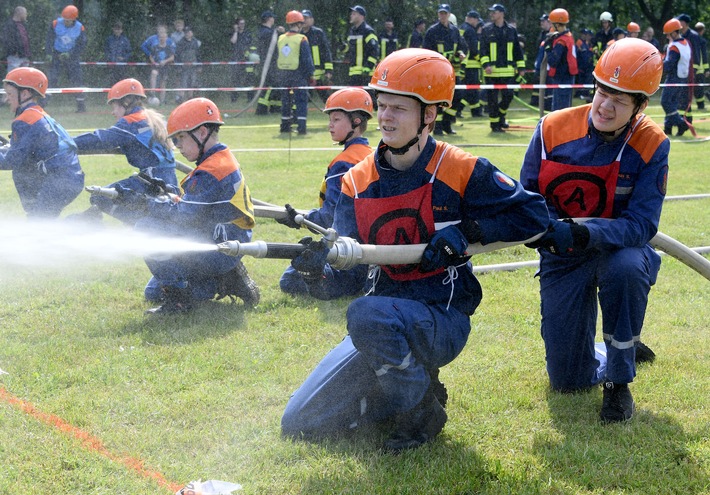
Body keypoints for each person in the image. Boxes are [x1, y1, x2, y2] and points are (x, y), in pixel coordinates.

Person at [281, 48, 549, 451]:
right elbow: (348, 276)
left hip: (442, 317)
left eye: (399, 109)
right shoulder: (355, 182)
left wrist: (469, 231)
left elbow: (535, 215)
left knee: (365, 313)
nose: (385, 117)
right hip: (379, 323)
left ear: (429, 115)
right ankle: (404, 388)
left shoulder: (460, 169)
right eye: (382, 105)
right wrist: (316, 271)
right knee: (301, 424)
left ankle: (421, 407)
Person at [520, 38, 668, 423]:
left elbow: (642, 225)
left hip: (619, 252)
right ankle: (619, 348)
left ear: (641, 106)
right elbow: (528, 198)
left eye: (620, 99)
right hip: (562, 256)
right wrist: (549, 232)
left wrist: (587, 233)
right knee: (568, 381)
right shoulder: (551, 129)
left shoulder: (652, 145)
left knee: (625, 270)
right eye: (603, 91)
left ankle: (618, 382)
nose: (605, 105)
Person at [135, 97, 260, 314]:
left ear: (202, 133)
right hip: (226, 240)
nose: (177, 146)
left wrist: (147, 205)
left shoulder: (210, 171)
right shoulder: (219, 159)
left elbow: (183, 216)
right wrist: (167, 194)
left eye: (181, 138)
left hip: (217, 246)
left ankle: (179, 303)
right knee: (153, 292)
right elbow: (198, 205)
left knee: (146, 229)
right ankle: (225, 280)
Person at [278, 87, 373, 297]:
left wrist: (300, 219)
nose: (330, 125)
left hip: (349, 255)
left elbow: (330, 218)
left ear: (356, 121)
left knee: (289, 280)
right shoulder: (371, 156)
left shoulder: (343, 164)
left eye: (336, 119)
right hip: (375, 255)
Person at [72, 78, 178, 225]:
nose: (113, 112)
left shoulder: (130, 122)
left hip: (151, 179)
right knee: (157, 212)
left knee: (100, 197)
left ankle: (140, 227)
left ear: (126, 102)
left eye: (114, 106)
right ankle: (144, 224)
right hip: (169, 179)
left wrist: (68, 142)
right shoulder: (153, 119)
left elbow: (100, 139)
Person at [0, 67, 84, 218]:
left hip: (59, 181)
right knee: (41, 220)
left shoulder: (25, 120)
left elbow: (9, 162)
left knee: (38, 224)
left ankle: (85, 222)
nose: (6, 99)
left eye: (10, 94)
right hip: (69, 178)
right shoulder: (38, 114)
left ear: (24, 94)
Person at [479, 3, 526, 132]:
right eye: (491, 12)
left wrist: (521, 68)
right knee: (492, 100)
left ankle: (500, 116)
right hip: (491, 73)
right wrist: (486, 65)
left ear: (501, 13)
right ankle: (495, 125)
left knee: (508, 96)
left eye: (494, 12)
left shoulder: (511, 30)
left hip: (508, 72)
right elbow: (482, 50)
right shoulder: (486, 29)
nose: (491, 14)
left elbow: (517, 50)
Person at [423, 4, 467, 135]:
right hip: (437, 72)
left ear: (449, 15)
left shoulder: (454, 30)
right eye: (440, 13)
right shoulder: (432, 31)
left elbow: (461, 46)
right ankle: (437, 127)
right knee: (439, 100)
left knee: (457, 98)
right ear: (438, 15)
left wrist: (461, 53)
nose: (442, 15)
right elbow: (426, 51)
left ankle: (447, 124)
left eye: (445, 13)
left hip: (452, 71)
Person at [276, 11, 314, 135]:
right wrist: (311, 74)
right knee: (301, 101)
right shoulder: (301, 39)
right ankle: (301, 128)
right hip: (298, 74)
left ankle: (285, 127)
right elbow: (306, 59)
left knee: (286, 101)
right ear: (298, 24)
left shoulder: (281, 38)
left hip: (283, 74)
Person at [45, 5, 87, 113]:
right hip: (56, 54)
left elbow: (81, 45)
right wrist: (49, 53)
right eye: (64, 20)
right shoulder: (55, 24)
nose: (65, 22)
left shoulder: (80, 28)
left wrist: (70, 54)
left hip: (72, 56)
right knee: (52, 78)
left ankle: (81, 105)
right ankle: (42, 104)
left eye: (68, 21)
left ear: (74, 19)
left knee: (76, 79)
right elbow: (49, 39)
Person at [661, 18, 691, 136]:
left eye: (668, 35)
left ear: (674, 32)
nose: (667, 37)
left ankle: (681, 124)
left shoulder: (674, 47)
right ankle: (668, 128)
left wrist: (659, 65)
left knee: (665, 102)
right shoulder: (685, 43)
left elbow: (669, 65)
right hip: (683, 77)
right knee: (672, 104)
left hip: (673, 77)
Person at [544, 8, 578, 111]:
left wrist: (548, 48)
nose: (550, 27)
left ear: (557, 25)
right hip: (567, 75)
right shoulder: (568, 36)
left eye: (552, 24)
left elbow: (553, 61)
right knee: (564, 106)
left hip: (562, 76)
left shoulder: (561, 41)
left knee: (559, 108)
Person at [301, 10, 334, 105]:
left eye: (306, 18)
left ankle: (332, 108)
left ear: (312, 20)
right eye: (302, 18)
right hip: (304, 71)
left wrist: (328, 70)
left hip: (319, 72)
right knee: (304, 95)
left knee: (324, 94)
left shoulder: (318, 33)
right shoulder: (299, 34)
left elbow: (326, 52)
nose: (304, 21)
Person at [255, 11, 284, 115]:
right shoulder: (265, 32)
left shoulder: (269, 31)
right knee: (268, 86)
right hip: (268, 65)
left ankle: (275, 108)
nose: (274, 20)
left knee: (276, 85)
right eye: (272, 18)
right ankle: (261, 109)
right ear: (269, 19)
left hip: (273, 64)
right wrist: (276, 31)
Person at [677, 14, 706, 113]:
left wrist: (694, 69)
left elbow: (696, 53)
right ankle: (684, 110)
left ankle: (689, 111)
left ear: (684, 23)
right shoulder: (681, 36)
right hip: (684, 68)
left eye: (679, 21)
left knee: (694, 90)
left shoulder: (693, 35)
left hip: (693, 69)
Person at [141, 25, 176, 105]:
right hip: (156, 66)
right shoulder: (155, 47)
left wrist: (165, 61)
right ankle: (152, 93)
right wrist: (153, 62)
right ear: (158, 37)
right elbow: (151, 56)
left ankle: (162, 101)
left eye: (164, 37)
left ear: (166, 38)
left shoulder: (169, 47)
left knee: (163, 83)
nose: (162, 38)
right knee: (154, 73)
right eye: (160, 37)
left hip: (165, 66)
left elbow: (172, 57)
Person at [345, 5, 378, 87]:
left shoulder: (368, 31)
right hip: (353, 72)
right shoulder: (352, 31)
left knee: (369, 98)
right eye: (351, 14)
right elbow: (350, 49)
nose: (351, 16)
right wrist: (343, 47)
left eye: (354, 14)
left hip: (365, 73)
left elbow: (374, 51)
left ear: (361, 16)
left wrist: (368, 67)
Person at [460, 10, 483, 117]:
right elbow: (473, 49)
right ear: (472, 19)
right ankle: (458, 109)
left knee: (471, 90)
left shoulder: (462, 28)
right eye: (477, 20)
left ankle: (476, 111)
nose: (477, 23)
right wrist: (482, 60)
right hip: (472, 65)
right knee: (471, 89)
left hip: (463, 65)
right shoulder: (470, 30)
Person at [229, 17, 256, 103]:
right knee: (236, 79)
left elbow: (250, 44)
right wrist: (236, 31)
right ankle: (234, 98)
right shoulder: (234, 33)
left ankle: (250, 98)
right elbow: (233, 41)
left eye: (243, 23)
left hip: (246, 59)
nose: (242, 25)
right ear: (237, 25)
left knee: (249, 78)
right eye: (240, 23)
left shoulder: (247, 33)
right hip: (236, 59)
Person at [1, 6, 31, 74]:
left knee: (24, 77)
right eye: (25, 13)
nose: (26, 15)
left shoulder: (24, 25)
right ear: (19, 13)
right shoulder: (9, 25)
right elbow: (6, 40)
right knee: (13, 76)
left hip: (24, 56)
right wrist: (14, 51)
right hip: (14, 56)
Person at [175, 26, 201, 102]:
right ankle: (181, 98)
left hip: (193, 66)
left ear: (192, 33)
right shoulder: (181, 42)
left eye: (189, 32)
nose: (187, 34)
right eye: (186, 32)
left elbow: (198, 54)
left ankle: (190, 98)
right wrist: (178, 67)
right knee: (183, 82)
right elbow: (177, 55)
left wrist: (199, 65)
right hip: (184, 67)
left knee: (192, 82)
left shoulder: (195, 42)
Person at [105, 21, 131, 86]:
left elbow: (129, 52)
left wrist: (124, 58)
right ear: (113, 29)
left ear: (121, 30)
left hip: (121, 66)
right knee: (112, 81)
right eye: (116, 29)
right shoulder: (109, 39)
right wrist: (109, 58)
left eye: (119, 29)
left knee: (121, 82)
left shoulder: (125, 40)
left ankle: (121, 95)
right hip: (111, 65)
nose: (117, 31)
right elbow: (106, 50)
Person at [575, 28, 595, 101]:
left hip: (587, 66)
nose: (585, 36)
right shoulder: (579, 42)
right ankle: (580, 94)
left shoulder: (587, 43)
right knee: (581, 81)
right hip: (581, 65)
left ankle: (585, 94)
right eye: (584, 34)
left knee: (586, 80)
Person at [695, 22, 710, 109]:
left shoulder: (691, 39)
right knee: (699, 88)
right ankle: (701, 105)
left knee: (694, 88)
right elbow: (704, 56)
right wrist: (706, 69)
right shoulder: (702, 41)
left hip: (691, 69)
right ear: (702, 30)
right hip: (700, 69)